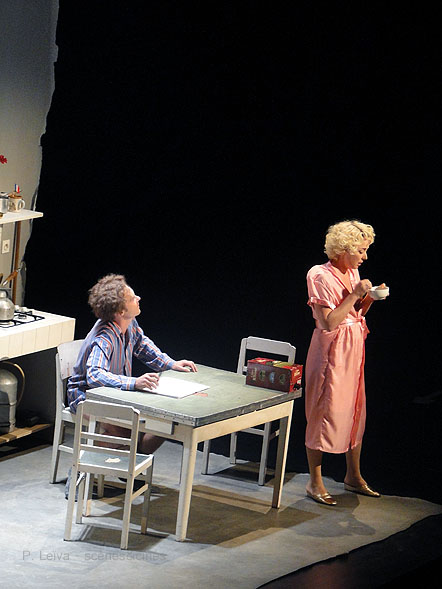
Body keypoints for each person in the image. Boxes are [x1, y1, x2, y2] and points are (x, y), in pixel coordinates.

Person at [67, 273, 197, 457]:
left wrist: (170, 364)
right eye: (132, 298)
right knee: (129, 431)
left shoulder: (130, 323)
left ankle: (130, 461)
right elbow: (94, 375)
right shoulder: (104, 337)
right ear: (120, 311)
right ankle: (84, 465)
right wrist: (134, 382)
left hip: (114, 395)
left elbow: (142, 345)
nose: (138, 298)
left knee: (162, 424)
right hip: (85, 396)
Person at [304, 220, 387, 505]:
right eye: (361, 251)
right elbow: (329, 323)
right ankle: (314, 482)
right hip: (331, 350)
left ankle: (353, 476)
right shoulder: (319, 274)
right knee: (323, 411)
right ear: (344, 248)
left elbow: (353, 314)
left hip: (353, 346)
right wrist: (354, 294)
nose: (365, 256)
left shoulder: (352, 272)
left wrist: (369, 299)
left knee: (354, 409)